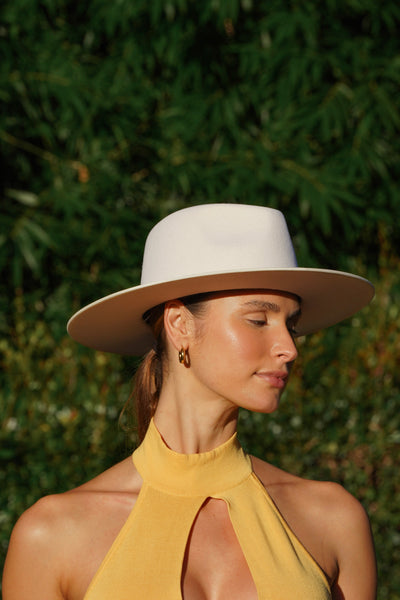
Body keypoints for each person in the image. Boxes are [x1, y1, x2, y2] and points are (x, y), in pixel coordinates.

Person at [3, 204, 377, 600]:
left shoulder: (334, 520)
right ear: (179, 324)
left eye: (292, 325)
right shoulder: (52, 535)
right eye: (258, 320)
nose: (289, 348)